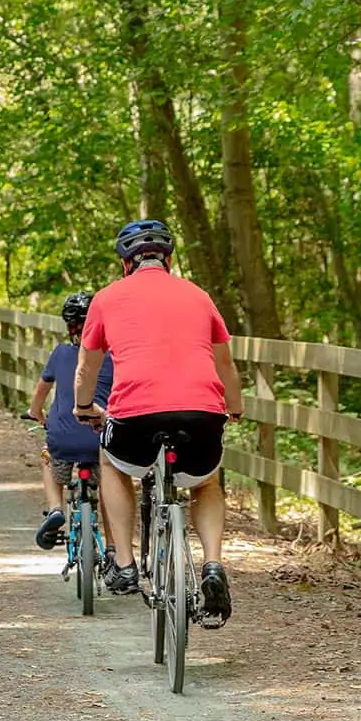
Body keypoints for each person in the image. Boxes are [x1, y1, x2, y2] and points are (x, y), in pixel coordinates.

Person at [74, 219, 243, 627]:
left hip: (135, 415)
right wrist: (233, 408)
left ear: (125, 263)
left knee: (111, 461)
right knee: (205, 481)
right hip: (201, 412)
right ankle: (213, 565)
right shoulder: (198, 296)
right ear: (168, 258)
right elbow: (226, 364)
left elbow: (87, 367)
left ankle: (126, 563)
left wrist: (84, 408)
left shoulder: (107, 298)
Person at [28, 292, 114, 550]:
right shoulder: (114, 356)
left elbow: (40, 394)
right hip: (102, 437)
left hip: (63, 439)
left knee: (47, 455)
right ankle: (112, 548)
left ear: (69, 326)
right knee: (112, 486)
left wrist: (38, 415)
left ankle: (55, 508)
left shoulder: (60, 353)